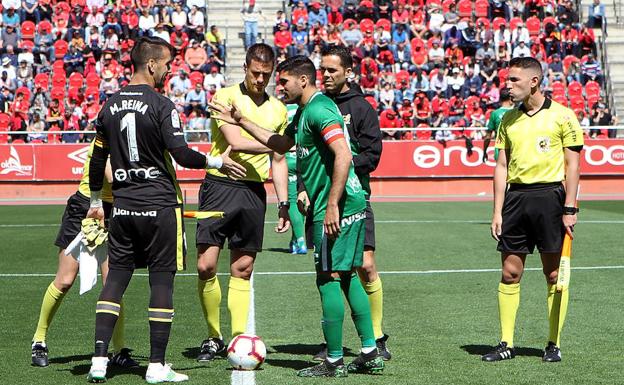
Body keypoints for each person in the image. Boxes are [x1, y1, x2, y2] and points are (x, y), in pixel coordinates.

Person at [208, 55, 385, 377]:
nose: (279, 87)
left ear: (303, 80)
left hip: (339, 207)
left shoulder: (319, 109)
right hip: (342, 205)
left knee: (328, 277)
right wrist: (240, 120)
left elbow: (344, 154)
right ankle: (371, 350)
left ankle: (333, 360)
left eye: (284, 81)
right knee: (344, 276)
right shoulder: (305, 112)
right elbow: (279, 143)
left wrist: (331, 204)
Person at [85, 36, 245, 383]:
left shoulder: (108, 105)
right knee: (161, 282)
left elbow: (97, 160)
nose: (170, 70)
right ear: (152, 64)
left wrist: (97, 200)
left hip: (123, 206)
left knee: (115, 279)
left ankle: (99, 360)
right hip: (159, 206)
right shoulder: (162, 105)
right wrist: (218, 161)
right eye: (167, 63)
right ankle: (156, 365)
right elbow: (183, 154)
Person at [482, 57, 583, 363]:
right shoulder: (507, 120)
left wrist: (570, 207)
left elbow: (572, 165)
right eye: (507, 80)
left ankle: (553, 343)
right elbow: (501, 166)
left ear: (534, 81)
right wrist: (497, 210)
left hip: (551, 198)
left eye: (514, 80)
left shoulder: (563, 116)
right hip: (516, 200)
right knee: (510, 273)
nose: (508, 85)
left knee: (553, 275)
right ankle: (506, 342)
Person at [194, 43, 290, 362]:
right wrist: (278, 144)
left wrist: (283, 204)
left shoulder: (279, 109)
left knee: (242, 268)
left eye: (266, 75)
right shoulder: (225, 97)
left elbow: (279, 160)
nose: (260, 80)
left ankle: (236, 338)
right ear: (245, 67)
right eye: (255, 73)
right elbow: (235, 142)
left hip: (253, 192)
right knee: (206, 265)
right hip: (219, 185)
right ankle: (212, 336)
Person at [303, 45, 389, 361]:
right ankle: (335, 341)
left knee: (364, 267)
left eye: (332, 70)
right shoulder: (314, 105)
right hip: (323, 202)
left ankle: (377, 338)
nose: (325, 75)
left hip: (354, 200)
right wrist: (302, 187)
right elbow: (304, 152)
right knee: (332, 273)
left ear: (348, 72)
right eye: (322, 69)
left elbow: (373, 155)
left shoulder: (362, 108)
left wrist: (344, 166)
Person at [30, 141, 137, 368]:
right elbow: (113, 177)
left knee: (113, 284)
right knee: (65, 280)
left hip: (115, 210)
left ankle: (118, 350)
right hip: (85, 207)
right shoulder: (104, 141)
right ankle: (39, 340)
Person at [285, 102, 307, 254]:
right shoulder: (305, 109)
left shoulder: (281, 110)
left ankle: (301, 241)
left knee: (293, 201)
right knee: (302, 198)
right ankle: (295, 241)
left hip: (288, 156)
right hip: (304, 157)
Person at [482, 88, 514, 163]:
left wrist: (484, 152)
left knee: (501, 173)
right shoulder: (516, 113)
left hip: (500, 150)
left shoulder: (494, 114)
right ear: (510, 98)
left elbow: (487, 137)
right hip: (514, 150)